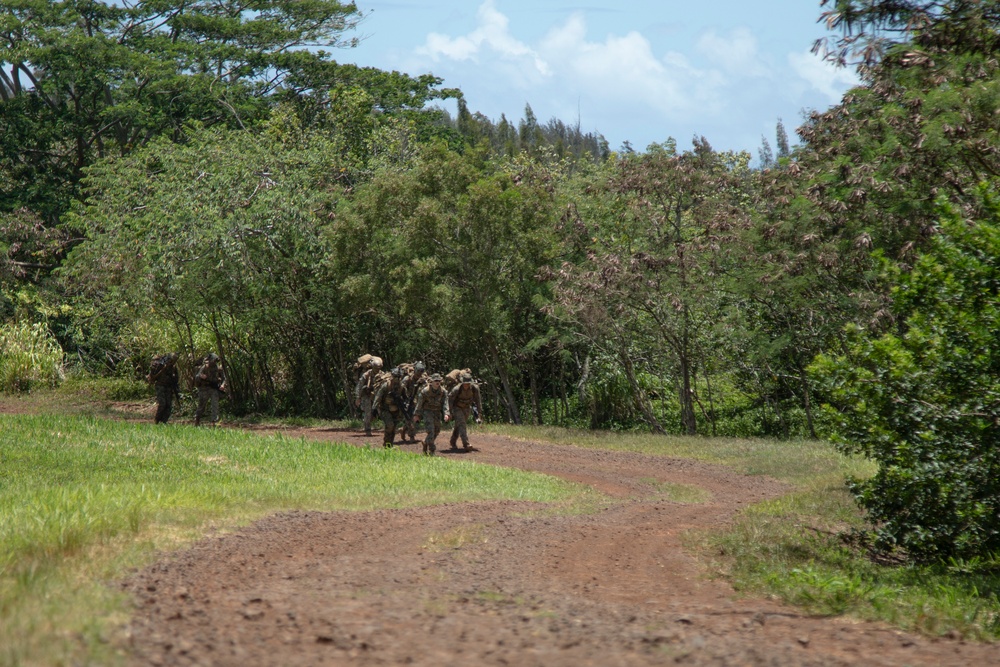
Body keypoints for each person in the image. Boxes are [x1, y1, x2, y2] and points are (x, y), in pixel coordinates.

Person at [413, 373, 450, 455]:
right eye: (436, 381)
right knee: (431, 431)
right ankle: (432, 450)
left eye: (439, 381)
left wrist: (446, 414)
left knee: (437, 430)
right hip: (427, 412)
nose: (438, 382)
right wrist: (416, 415)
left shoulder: (443, 392)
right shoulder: (425, 391)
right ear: (431, 382)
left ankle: (426, 442)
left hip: (437, 412)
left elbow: (445, 403)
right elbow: (419, 404)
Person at [372, 366, 407, 448]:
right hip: (385, 409)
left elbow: (406, 397)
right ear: (392, 376)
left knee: (394, 428)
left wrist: (405, 405)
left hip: (396, 410)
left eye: (399, 377)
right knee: (390, 425)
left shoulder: (401, 387)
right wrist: (374, 410)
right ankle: (386, 444)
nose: (397, 379)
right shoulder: (386, 385)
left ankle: (390, 445)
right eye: (395, 377)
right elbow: (378, 397)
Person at [448, 371, 483, 451]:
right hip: (457, 408)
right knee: (462, 424)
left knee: (459, 424)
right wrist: (449, 412)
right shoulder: (456, 389)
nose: (466, 385)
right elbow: (450, 399)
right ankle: (466, 444)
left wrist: (479, 412)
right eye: (465, 383)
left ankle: (453, 441)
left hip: (467, 407)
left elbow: (478, 400)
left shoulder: (475, 388)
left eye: (468, 383)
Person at [194, 353, 226, 426]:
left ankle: (215, 421)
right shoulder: (204, 367)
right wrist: (201, 377)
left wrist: (222, 385)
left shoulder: (218, 368)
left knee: (215, 404)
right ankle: (197, 418)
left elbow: (224, 378)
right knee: (202, 406)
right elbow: (197, 377)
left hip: (213, 388)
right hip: (204, 389)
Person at [354, 356, 383, 437]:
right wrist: (358, 397)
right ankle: (367, 429)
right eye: (376, 368)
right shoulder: (366, 375)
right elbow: (359, 386)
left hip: (378, 396)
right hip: (367, 395)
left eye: (378, 368)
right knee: (368, 413)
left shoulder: (382, 375)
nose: (377, 370)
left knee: (382, 412)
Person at [147, 352, 179, 424]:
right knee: (162, 403)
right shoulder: (159, 365)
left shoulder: (173, 367)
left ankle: (164, 421)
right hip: (160, 386)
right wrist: (163, 369)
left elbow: (176, 379)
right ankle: (157, 420)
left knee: (169, 405)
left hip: (169, 387)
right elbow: (153, 377)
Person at [399, 361, 427, 443]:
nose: (419, 375)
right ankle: (411, 436)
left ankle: (403, 429)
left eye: (420, 373)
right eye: (418, 373)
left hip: (419, 402)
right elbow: (401, 389)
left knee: (417, 419)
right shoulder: (407, 379)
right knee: (410, 419)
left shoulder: (423, 379)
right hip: (409, 401)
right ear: (415, 371)